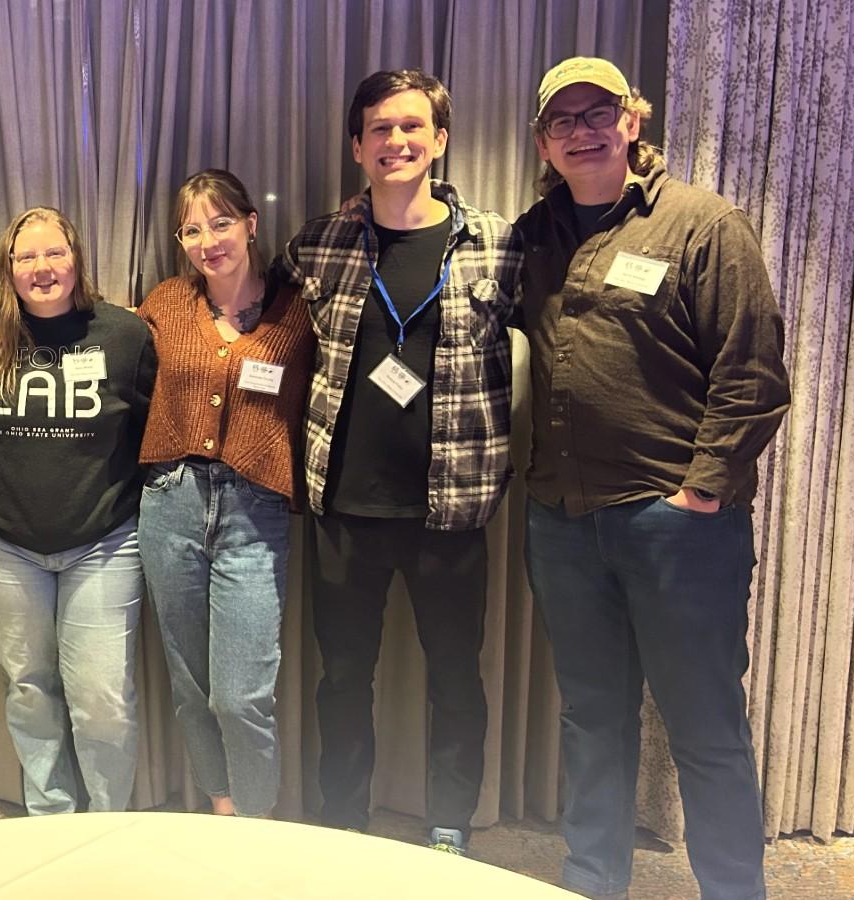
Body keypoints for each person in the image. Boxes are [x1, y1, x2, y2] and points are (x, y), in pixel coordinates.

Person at [518, 57, 789, 900]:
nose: (584, 130)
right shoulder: (536, 233)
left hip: (675, 526)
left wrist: (700, 492)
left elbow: (753, 375)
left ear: (632, 120)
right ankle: (592, 883)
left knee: (704, 725)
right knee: (591, 720)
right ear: (545, 142)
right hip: (562, 521)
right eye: (564, 120)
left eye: (600, 111)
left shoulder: (704, 224)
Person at [279, 69, 523, 855]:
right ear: (357, 146)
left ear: (440, 140)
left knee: (457, 677)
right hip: (345, 505)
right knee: (341, 679)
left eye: (412, 127)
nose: (397, 142)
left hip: (450, 510)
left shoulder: (497, 243)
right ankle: (343, 823)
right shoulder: (317, 244)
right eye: (380, 130)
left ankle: (449, 825)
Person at [0, 206, 156, 814]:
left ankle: (108, 822)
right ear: (7, 268)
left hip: (104, 542)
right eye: (26, 256)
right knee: (30, 688)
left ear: (77, 258)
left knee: (101, 695)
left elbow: (159, 427)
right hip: (6, 545)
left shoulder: (124, 335)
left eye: (54, 253)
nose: (42, 268)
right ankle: (51, 815)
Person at [136, 170, 313, 817]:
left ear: (250, 224)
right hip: (171, 503)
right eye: (192, 229)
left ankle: (257, 826)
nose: (208, 240)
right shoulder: (165, 303)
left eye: (220, 223)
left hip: (254, 511)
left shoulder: (299, 309)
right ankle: (222, 808)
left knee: (239, 695)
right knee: (189, 685)